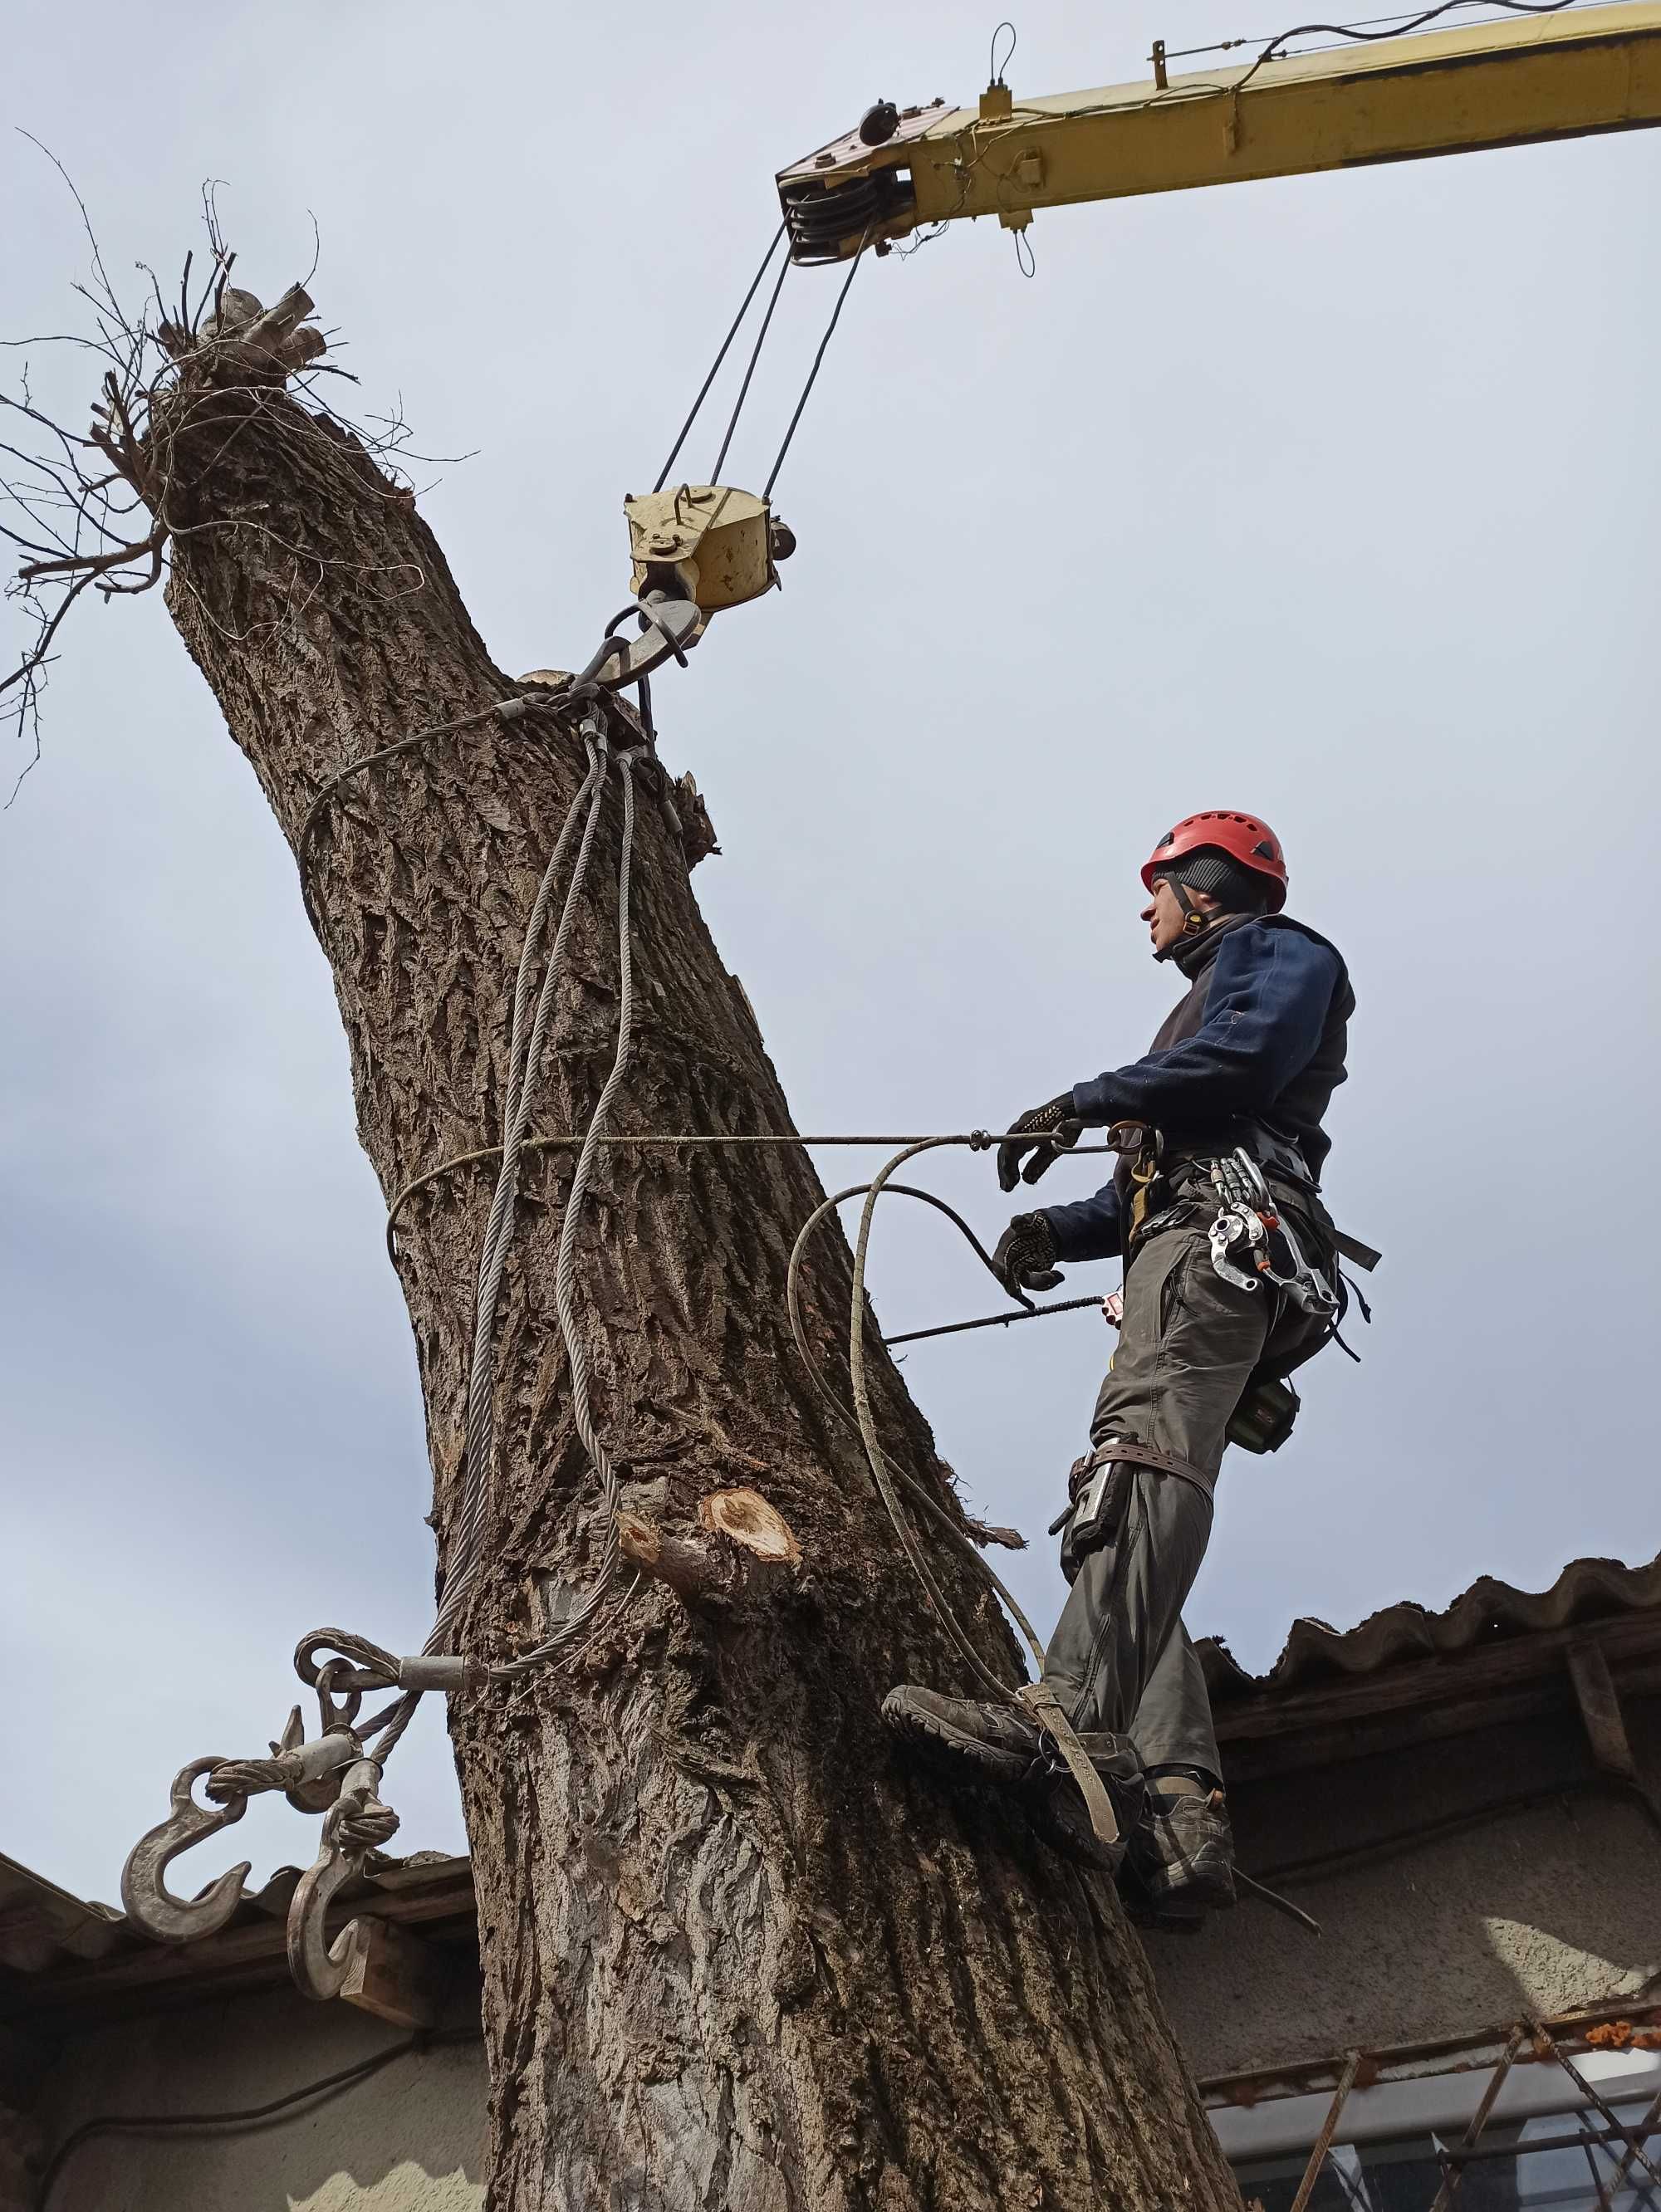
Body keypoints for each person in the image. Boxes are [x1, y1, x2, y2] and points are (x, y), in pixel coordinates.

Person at [883, 810, 1358, 1926]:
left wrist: (1093, 1097)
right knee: (1107, 1516)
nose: (1144, 909)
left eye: (1157, 887)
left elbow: (1239, 1066)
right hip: (1182, 1240)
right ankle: (1174, 1810)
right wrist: (1057, 1227)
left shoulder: (1279, 956)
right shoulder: (1192, 1018)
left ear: (1205, 884)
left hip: (1220, 1243)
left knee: (1134, 1468)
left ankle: (1065, 1720)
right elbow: (1146, 1181)